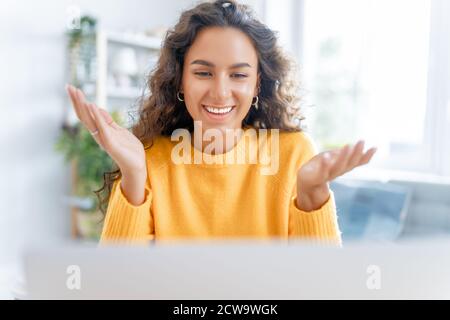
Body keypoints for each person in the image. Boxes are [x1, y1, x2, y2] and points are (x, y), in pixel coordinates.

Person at [66, 0, 376, 246]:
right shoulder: (151, 158)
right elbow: (117, 287)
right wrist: (134, 174)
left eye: (239, 75)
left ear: (257, 84)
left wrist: (311, 196)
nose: (220, 92)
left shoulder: (293, 152)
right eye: (203, 73)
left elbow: (325, 288)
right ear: (181, 80)